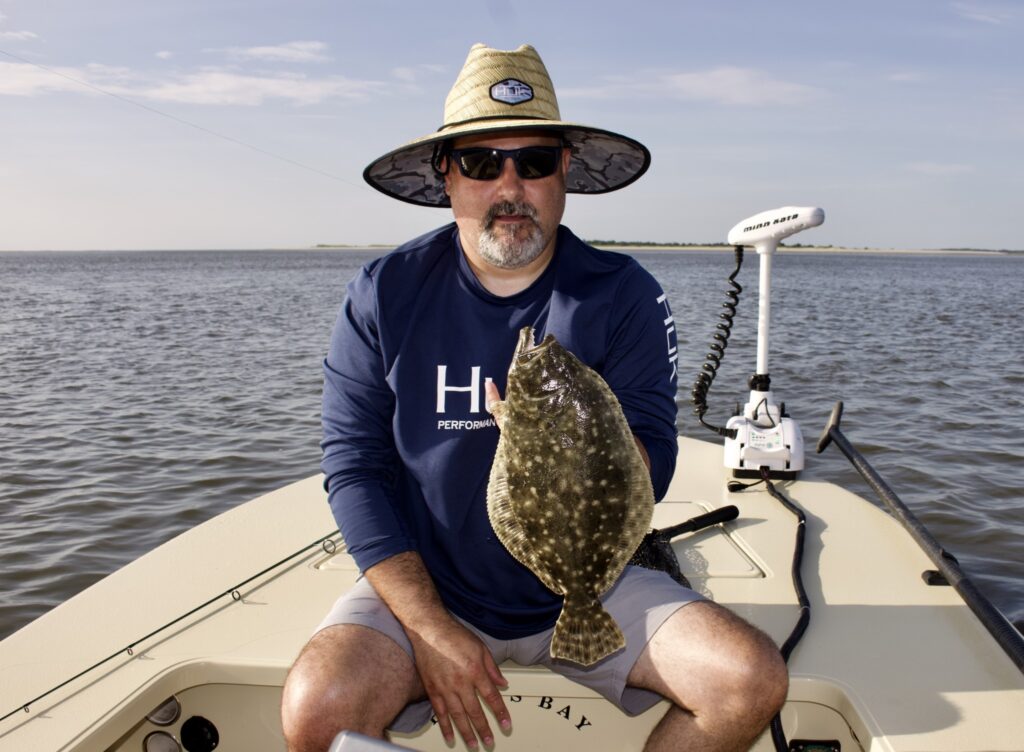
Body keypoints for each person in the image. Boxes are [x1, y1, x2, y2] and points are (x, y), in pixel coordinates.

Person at [281, 43, 788, 752]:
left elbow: (654, 461)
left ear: (565, 173)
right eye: (484, 163)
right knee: (316, 711)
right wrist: (430, 629)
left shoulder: (623, 293)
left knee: (750, 680)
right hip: (428, 586)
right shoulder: (384, 292)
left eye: (535, 161)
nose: (510, 184)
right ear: (447, 175)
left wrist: (573, 430)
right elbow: (354, 468)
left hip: (593, 584)